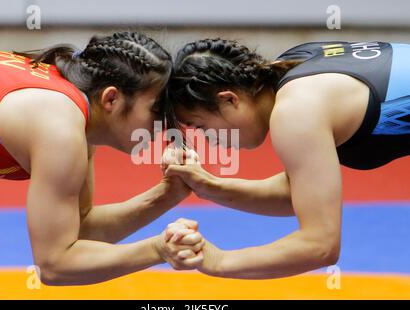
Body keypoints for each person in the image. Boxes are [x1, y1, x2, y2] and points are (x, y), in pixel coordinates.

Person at [0, 31, 203, 285]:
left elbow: (80, 232)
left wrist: (168, 194)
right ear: (111, 98)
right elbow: (53, 264)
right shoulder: (60, 129)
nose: (162, 124)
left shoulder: (76, 115)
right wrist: (158, 250)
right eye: (156, 110)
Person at [162, 39, 410, 279]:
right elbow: (300, 195)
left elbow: (320, 245)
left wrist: (218, 261)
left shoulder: (295, 113)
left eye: (202, 127)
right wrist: (207, 186)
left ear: (229, 99)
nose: (209, 140)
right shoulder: (293, 65)